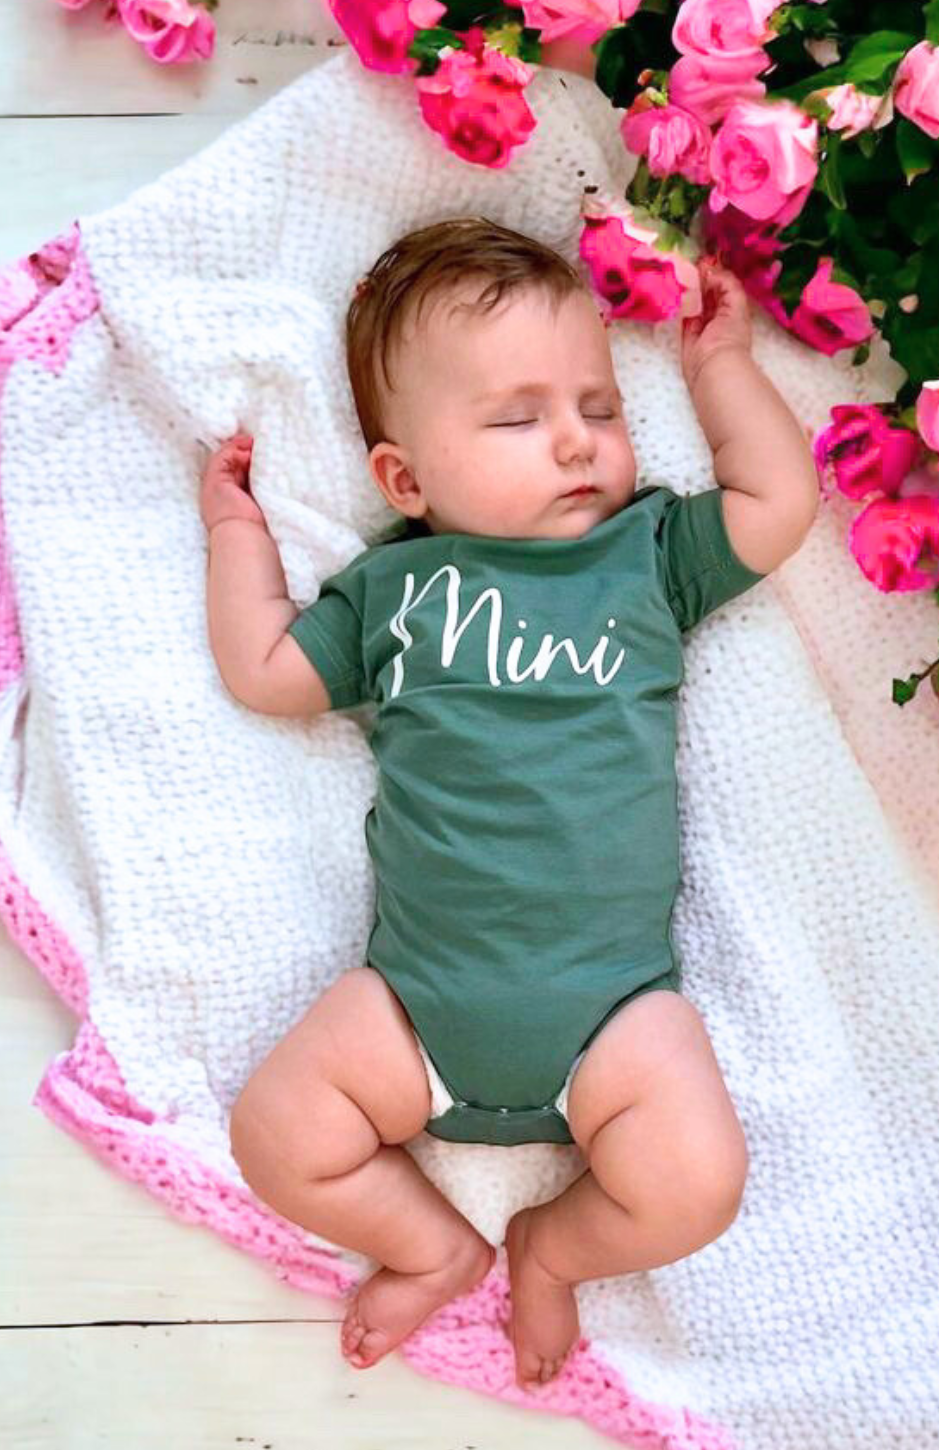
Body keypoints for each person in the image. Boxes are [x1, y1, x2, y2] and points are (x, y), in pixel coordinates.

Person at [200, 215, 818, 1392]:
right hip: (413, 1013)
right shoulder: (393, 589)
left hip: (615, 1019)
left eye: (599, 407)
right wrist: (238, 534)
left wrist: (718, 369)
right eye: (519, 419)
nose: (578, 440)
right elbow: (267, 668)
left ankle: (553, 1246)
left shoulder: (644, 555)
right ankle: (431, 1243)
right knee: (274, 1133)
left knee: (699, 1185)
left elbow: (777, 501)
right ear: (405, 479)